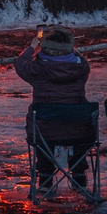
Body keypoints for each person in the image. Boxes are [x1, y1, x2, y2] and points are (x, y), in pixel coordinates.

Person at [14, 26, 96, 191]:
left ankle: (45, 177)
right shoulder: (81, 68)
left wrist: (32, 47)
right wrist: (73, 50)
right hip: (79, 131)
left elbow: (20, 64)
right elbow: (81, 58)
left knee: (45, 135)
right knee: (74, 134)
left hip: (45, 131)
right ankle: (79, 175)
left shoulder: (37, 69)